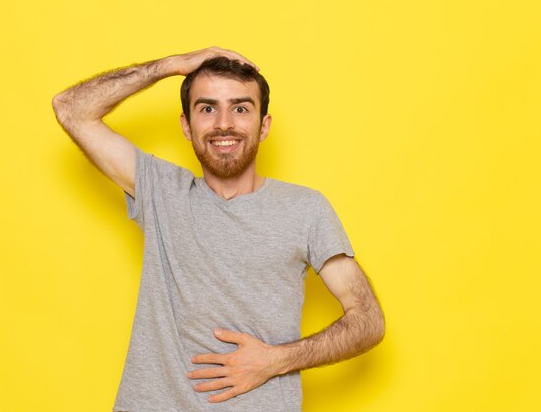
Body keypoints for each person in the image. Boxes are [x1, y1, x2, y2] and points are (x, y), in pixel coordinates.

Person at [52, 46, 385, 412]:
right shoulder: (161, 191)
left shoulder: (305, 209)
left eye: (240, 108)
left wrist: (277, 359)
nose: (223, 123)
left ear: (264, 125)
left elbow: (368, 321)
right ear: (186, 124)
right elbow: (71, 108)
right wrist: (169, 66)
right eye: (207, 108)